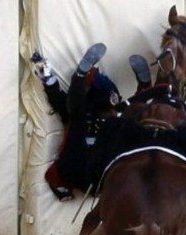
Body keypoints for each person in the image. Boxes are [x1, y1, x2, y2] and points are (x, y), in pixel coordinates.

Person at [33, 43, 124, 201]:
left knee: (78, 111)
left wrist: (48, 79)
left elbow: (60, 101)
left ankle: (83, 76)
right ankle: (85, 77)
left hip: (89, 167)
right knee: (79, 110)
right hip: (97, 168)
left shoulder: (105, 113)